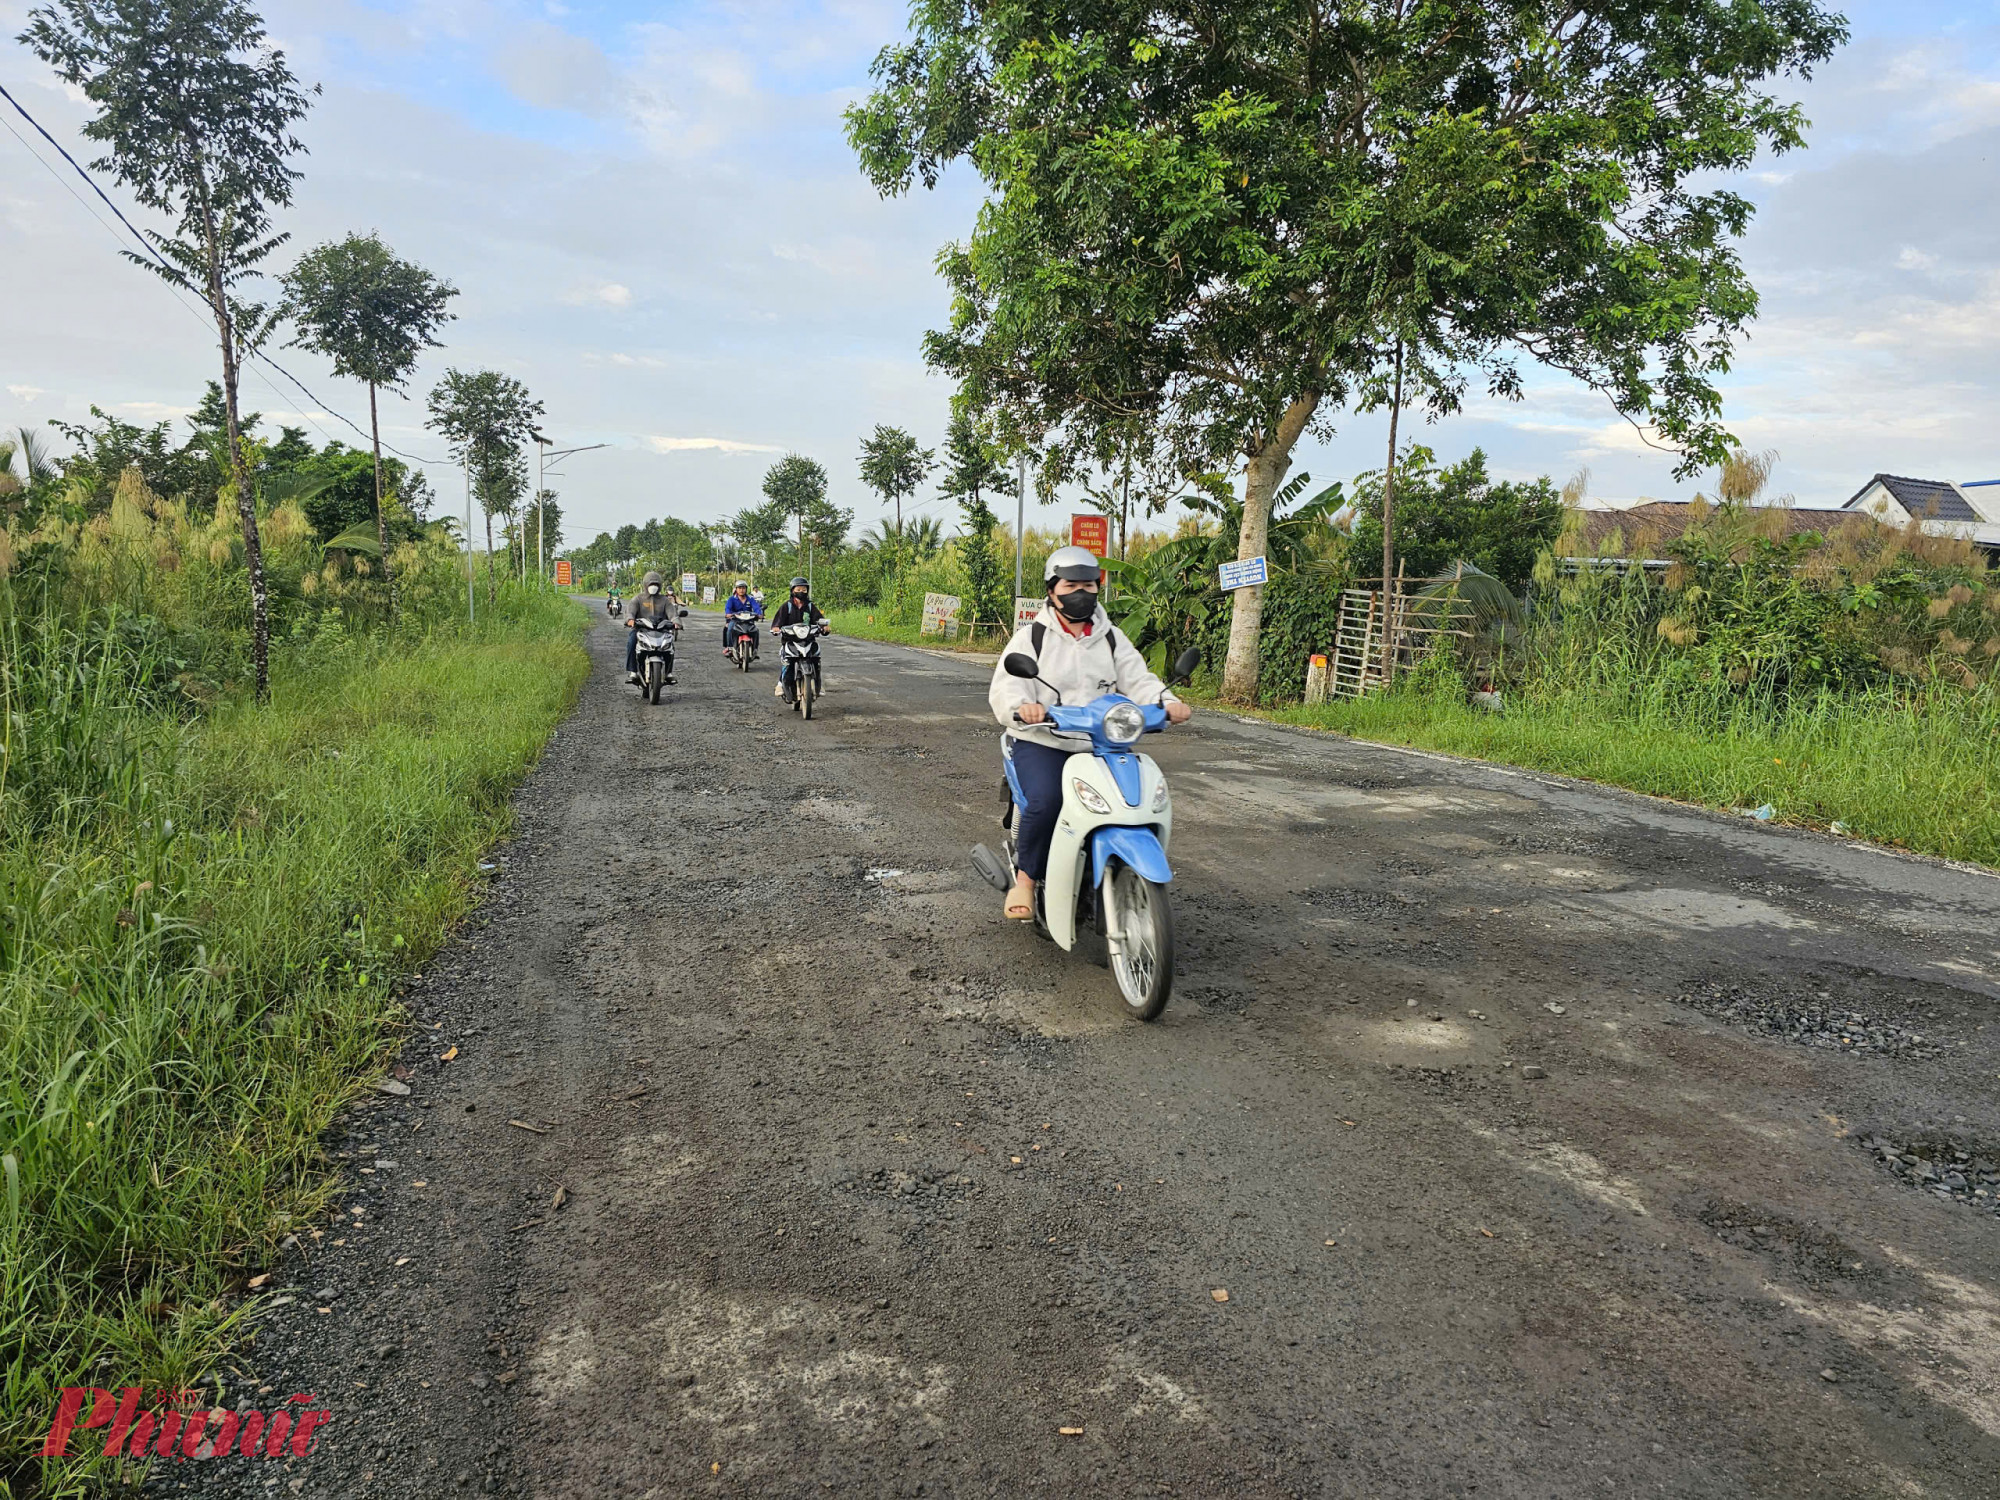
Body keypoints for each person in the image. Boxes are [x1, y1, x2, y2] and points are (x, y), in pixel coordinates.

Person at [986, 546, 1192, 920]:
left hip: (1102, 745)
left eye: (1088, 584)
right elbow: (1008, 687)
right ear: (1052, 590)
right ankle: (1026, 881)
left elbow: (1139, 679)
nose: (1081, 592)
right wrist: (1023, 708)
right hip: (1043, 740)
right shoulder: (1031, 638)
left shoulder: (1111, 637)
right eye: (1071, 584)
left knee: (1135, 798)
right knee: (1047, 801)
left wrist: (1167, 701)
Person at [768, 576, 828, 702]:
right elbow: (777, 623)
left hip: (808, 640)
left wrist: (824, 627)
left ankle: (818, 684)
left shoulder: (810, 606)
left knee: (816, 659)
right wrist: (776, 629)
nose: (801, 591)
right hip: (790, 641)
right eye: (798, 589)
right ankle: (780, 684)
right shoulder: (787, 606)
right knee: (787, 661)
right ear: (792, 590)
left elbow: (819, 619)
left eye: (804, 589)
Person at [625, 570, 680, 684]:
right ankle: (633, 672)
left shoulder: (665, 600)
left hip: (661, 630)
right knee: (631, 642)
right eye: (651, 584)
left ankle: (668, 673)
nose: (653, 586)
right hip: (641, 629)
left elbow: (672, 613)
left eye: (656, 584)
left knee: (670, 647)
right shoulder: (638, 599)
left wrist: (676, 622)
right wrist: (630, 620)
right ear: (645, 584)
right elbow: (630, 611)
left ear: (660, 585)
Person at [722, 579, 762, 658]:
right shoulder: (731, 599)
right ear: (736, 589)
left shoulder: (750, 598)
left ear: (746, 589)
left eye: (743, 588)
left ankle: (755, 650)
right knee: (729, 628)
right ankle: (730, 648)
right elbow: (728, 608)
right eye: (739, 588)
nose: (741, 590)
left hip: (749, 620)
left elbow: (756, 607)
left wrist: (759, 614)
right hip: (735, 620)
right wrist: (729, 614)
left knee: (756, 631)